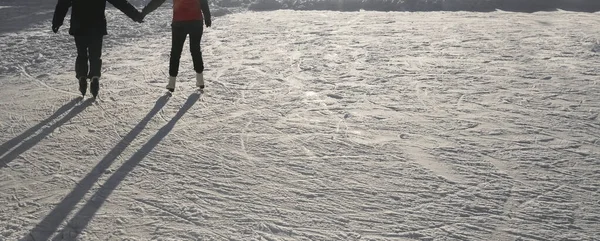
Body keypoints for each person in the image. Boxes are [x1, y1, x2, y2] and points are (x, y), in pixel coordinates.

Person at [52, 0, 144, 98]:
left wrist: (57, 22)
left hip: (79, 24)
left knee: (81, 54)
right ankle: (95, 77)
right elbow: (119, 2)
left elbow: (63, 3)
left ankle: (82, 77)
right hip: (97, 25)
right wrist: (135, 15)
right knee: (95, 55)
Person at [141, 0, 211, 92]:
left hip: (179, 22)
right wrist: (207, 16)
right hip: (196, 21)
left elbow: (157, 1)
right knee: (195, 50)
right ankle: (200, 80)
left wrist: (144, 12)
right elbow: (203, 2)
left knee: (176, 52)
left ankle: (171, 83)